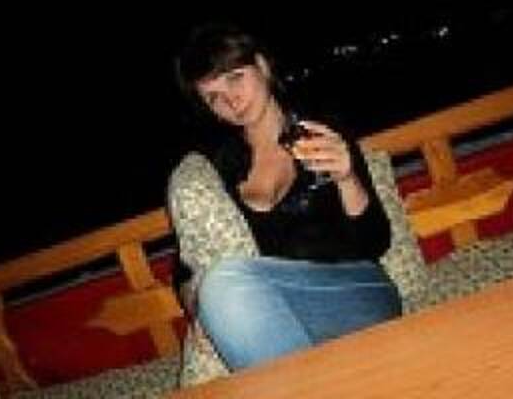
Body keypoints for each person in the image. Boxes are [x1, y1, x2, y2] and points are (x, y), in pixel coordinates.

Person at [172, 22, 402, 371]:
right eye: (213, 97)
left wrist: (348, 178)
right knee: (220, 289)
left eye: (235, 78)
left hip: (361, 290)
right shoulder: (223, 167)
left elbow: (375, 242)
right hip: (287, 306)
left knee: (224, 282)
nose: (231, 101)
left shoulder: (319, 131)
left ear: (263, 66)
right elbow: (183, 270)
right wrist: (197, 307)